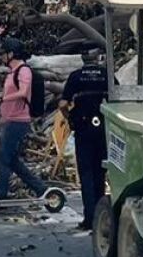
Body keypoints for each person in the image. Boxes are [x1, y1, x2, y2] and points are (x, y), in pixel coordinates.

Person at [59, 47, 110, 231]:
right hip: (103, 129)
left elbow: (63, 104)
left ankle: (89, 218)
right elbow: (118, 99)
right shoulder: (107, 75)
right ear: (98, 58)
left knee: (86, 173)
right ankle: (100, 217)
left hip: (83, 128)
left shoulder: (75, 76)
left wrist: (70, 117)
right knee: (100, 172)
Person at [0, 39, 49, 201]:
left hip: (19, 121)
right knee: (12, 161)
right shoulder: (12, 72)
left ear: (11, 54)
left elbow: (24, 92)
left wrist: (2, 99)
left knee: (3, 158)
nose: (1, 57)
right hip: (9, 120)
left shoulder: (23, 70)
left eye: (3, 53)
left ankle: (1, 194)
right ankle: (40, 188)